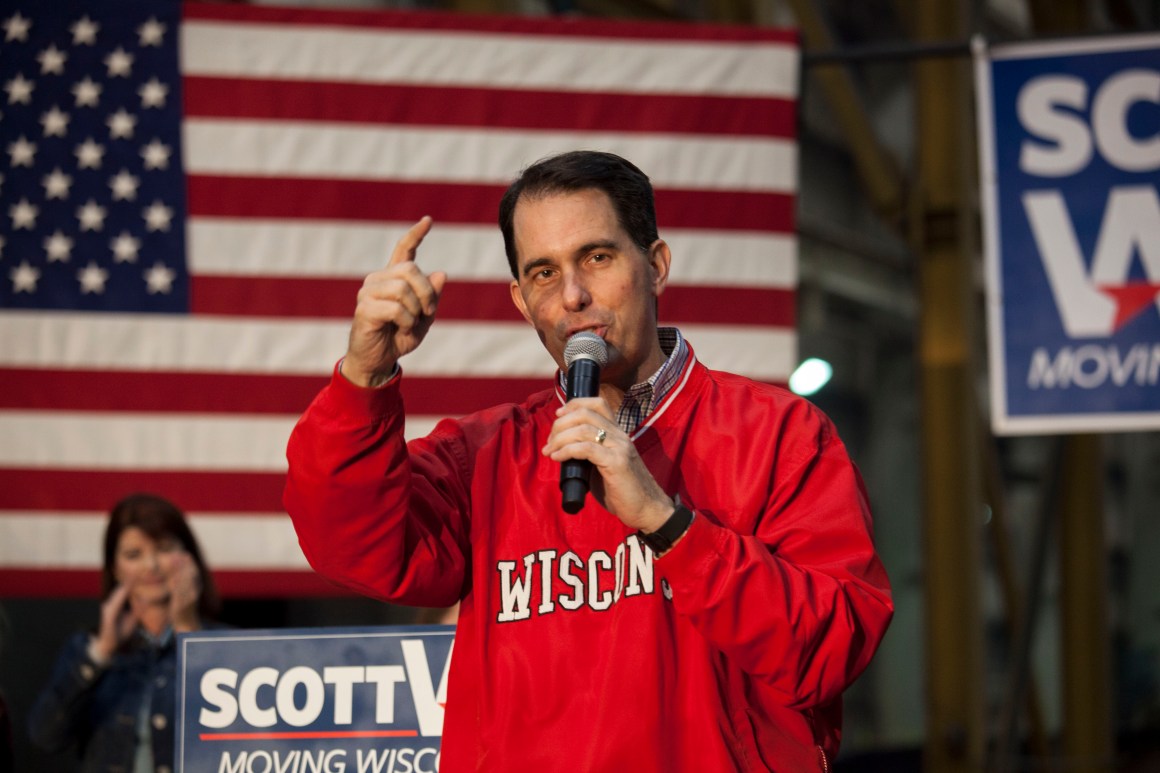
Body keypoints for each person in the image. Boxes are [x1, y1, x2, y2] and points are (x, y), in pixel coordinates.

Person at [285, 150, 893, 771]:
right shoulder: (483, 457)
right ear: (522, 302)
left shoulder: (779, 435)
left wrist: (667, 525)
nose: (573, 295)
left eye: (596, 258)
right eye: (544, 274)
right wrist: (364, 374)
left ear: (655, 265)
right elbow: (351, 542)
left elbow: (833, 647)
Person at [28, 493, 220, 773]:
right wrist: (100, 652)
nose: (151, 566)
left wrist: (188, 632)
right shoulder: (86, 649)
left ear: (189, 557)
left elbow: (238, 743)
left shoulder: (226, 644)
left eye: (165, 548)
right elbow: (45, 736)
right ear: (115, 568)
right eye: (134, 555)